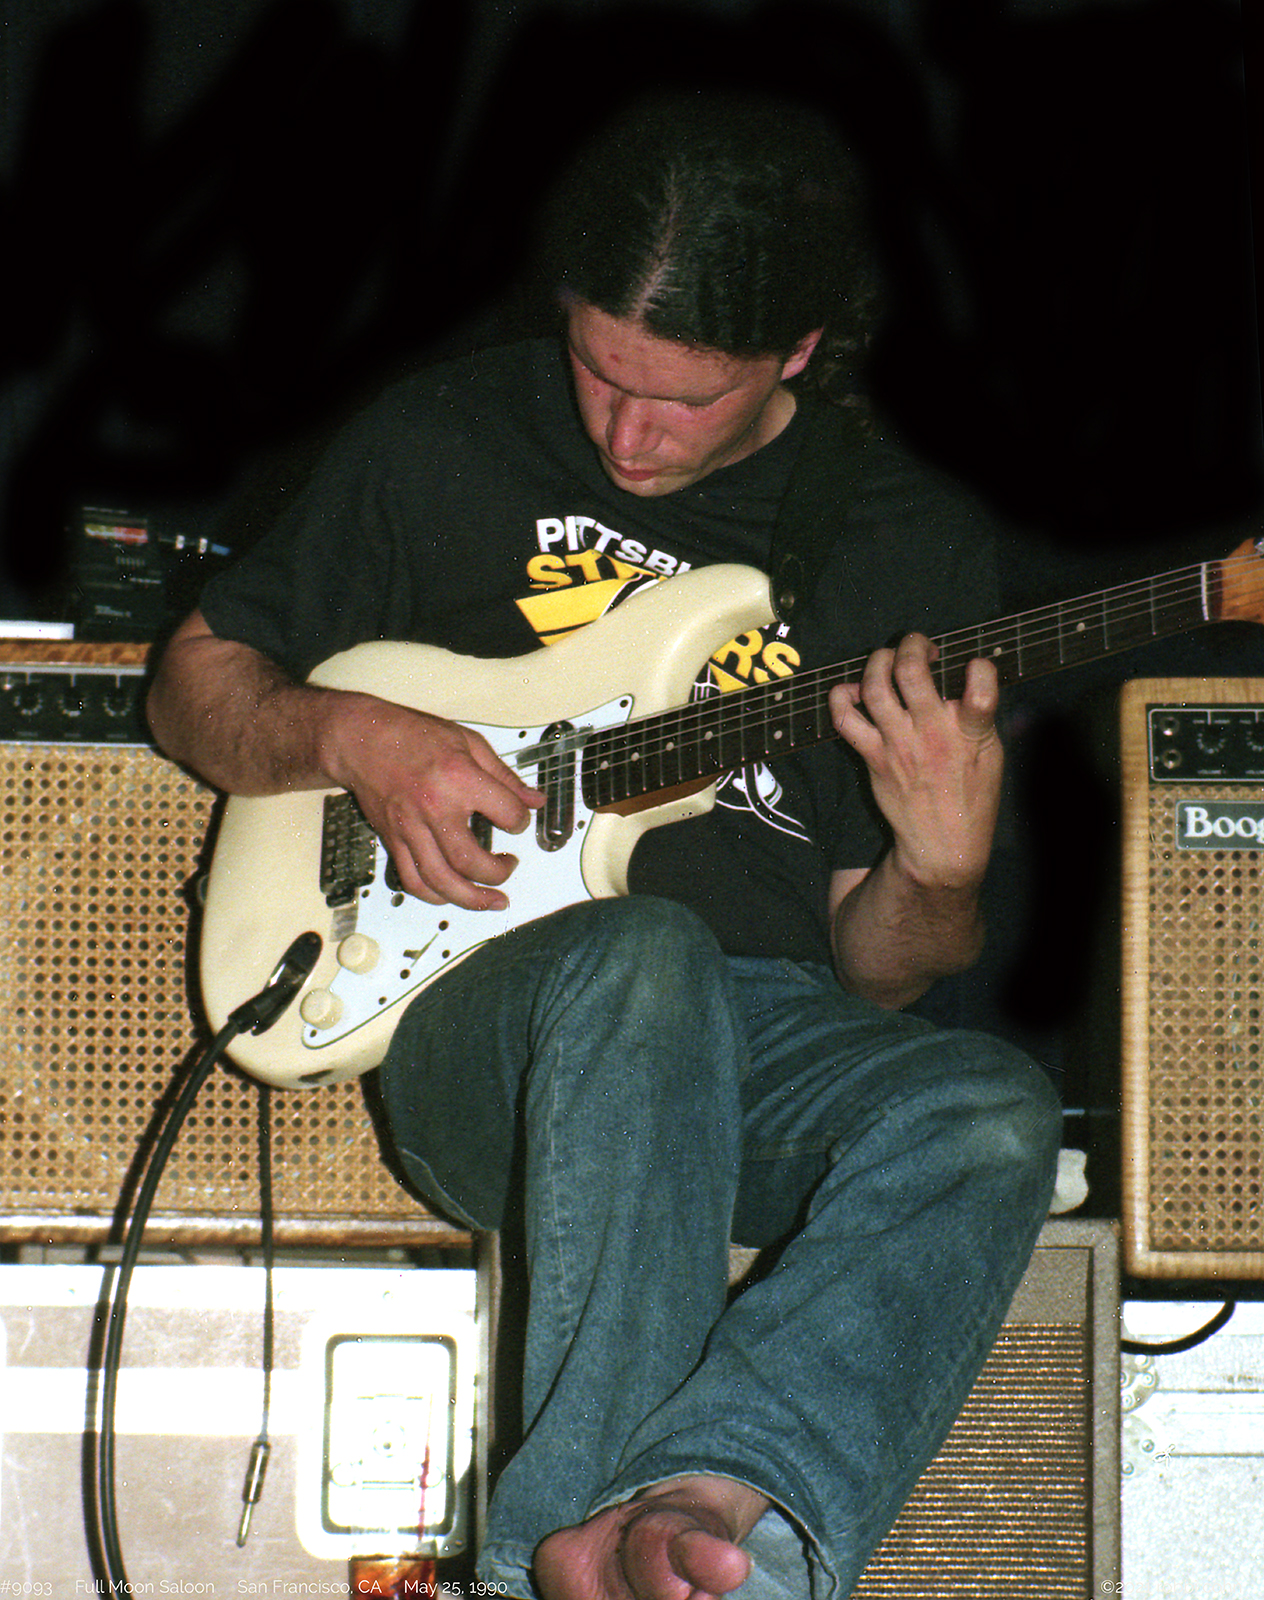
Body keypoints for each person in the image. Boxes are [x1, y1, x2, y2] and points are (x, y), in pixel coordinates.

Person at [146, 89, 1061, 1600]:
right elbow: (194, 684)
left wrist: (939, 872)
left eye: (684, 402)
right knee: (645, 956)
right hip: (480, 1033)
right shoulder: (444, 440)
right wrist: (351, 735)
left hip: (758, 1042)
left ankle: (695, 1504)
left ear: (798, 354)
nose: (627, 435)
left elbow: (878, 973)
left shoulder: (900, 543)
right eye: (597, 371)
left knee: (989, 1108)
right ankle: (548, 1567)